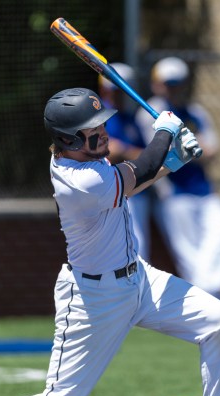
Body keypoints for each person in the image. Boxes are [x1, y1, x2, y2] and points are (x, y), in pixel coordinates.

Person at [0, 88, 220, 396]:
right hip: (96, 299)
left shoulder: (91, 160)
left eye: (101, 123)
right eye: (92, 129)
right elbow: (141, 170)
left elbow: (132, 183)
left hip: (140, 281)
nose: (102, 131)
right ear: (69, 139)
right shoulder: (79, 180)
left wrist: (175, 159)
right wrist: (165, 130)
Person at [135, 56, 220, 317]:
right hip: (173, 193)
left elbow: (211, 149)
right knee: (189, 252)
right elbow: (164, 152)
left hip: (203, 190)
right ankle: (213, 303)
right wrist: (191, 151)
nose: (172, 89)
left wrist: (193, 151)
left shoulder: (195, 112)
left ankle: (209, 295)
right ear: (157, 84)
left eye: (177, 83)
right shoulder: (149, 111)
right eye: (167, 83)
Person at [98, 62, 153, 260]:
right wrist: (131, 152)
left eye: (123, 90)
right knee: (123, 255)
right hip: (111, 195)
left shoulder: (130, 119)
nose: (119, 95)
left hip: (134, 193)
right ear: (104, 89)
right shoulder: (98, 117)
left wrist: (126, 151)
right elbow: (106, 152)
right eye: (115, 90)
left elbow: (142, 155)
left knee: (140, 252)